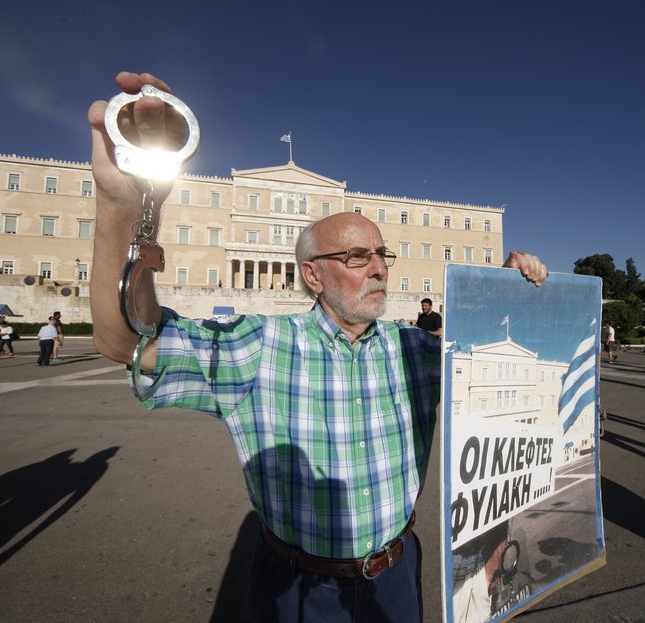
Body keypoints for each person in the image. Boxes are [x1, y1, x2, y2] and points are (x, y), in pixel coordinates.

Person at [87, 71, 549, 623]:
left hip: (397, 577)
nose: (378, 267)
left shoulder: (418, 354)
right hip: (296, 590)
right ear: (311, 275)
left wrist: (508, 290)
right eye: (356, 257)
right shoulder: (259, 346)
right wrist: (121, 208)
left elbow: (502, 372)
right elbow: (126, 341)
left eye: (381, 254)